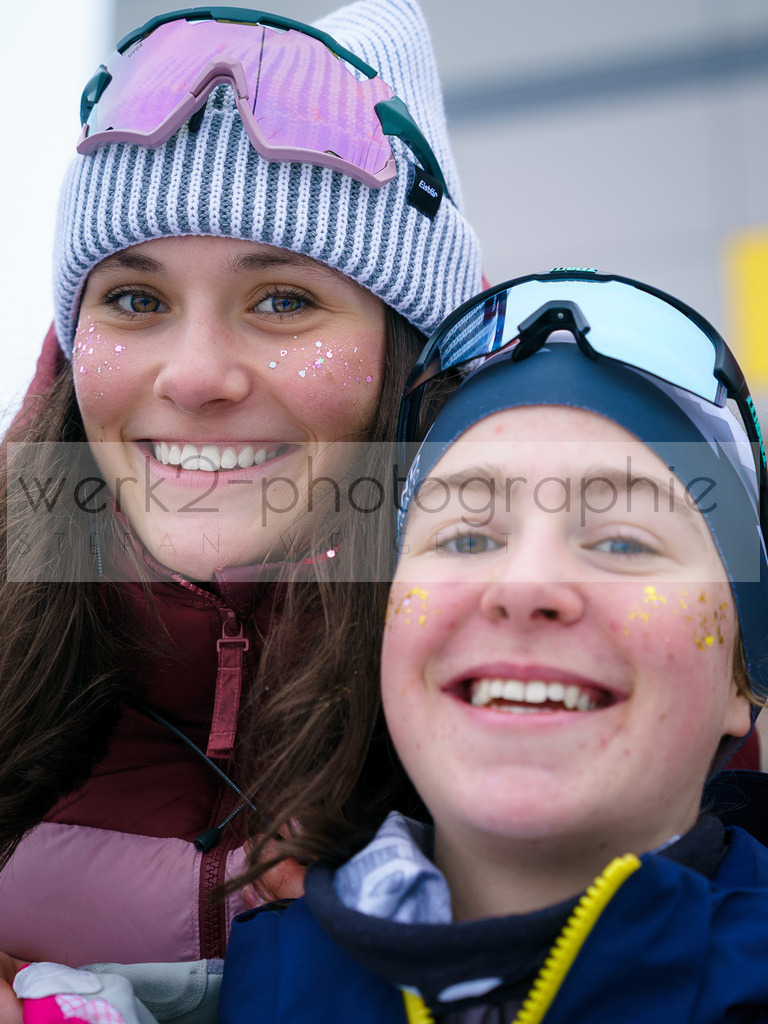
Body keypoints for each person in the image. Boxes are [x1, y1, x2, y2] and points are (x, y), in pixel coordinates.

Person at [0, 0, 482, 970]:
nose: (194, 375)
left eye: (283, 300)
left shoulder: (558, 660)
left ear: (410, 360)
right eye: (137, 299)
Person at [212, 271, 768, 1023]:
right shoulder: (265, 979)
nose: (525, 582)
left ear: (743, 677)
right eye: (467, 536)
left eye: (625, 542)